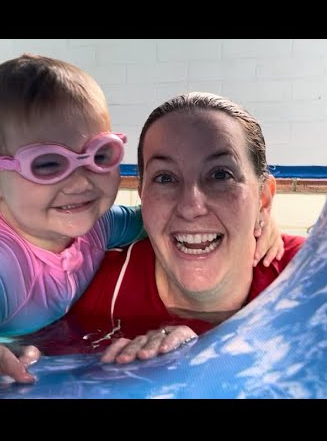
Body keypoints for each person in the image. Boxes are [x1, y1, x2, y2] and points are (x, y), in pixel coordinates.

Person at [0, 56, 283, 399]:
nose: (81, 182)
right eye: (47, 164)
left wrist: (255, 215)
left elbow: (164, 220)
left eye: (99, 155)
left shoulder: (93, 223)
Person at [17, 92, 306, 365]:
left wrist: (204, 353)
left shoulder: (308, 272)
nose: (191, 206)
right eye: (165, 178)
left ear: (264, 198)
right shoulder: (84, 284)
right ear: (142, 196)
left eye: (221, 175)